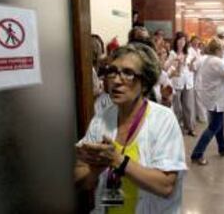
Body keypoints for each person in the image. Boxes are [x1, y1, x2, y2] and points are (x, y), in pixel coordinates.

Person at [74, 44, 187, 214]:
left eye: (128, 73)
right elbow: (81, 180)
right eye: (112, 71)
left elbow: (165, 186)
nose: (117, 81)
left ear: (145, 83)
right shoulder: (102, 119)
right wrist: (95, 167)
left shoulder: (163, 120)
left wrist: (118, 160)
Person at [191, 37, 224, 165]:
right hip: (216, 99)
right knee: (214, 127)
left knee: (220, 124)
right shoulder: (217, 61)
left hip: (213, 98)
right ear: (217, 50)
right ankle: (197, 154)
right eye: (222, 48)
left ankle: (223, 148)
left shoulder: (208, 59)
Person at [165, 32, 197, 136]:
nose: (181, 42)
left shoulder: (190, 52)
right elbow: (166, 67)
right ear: (176, 41)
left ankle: (190, 127)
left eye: (183, 40)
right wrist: (176, 61)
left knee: (188, 106)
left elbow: (193, 68)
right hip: (176, 82)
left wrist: (192, 64)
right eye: (179, 40)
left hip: (188, 82)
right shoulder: (172, 53)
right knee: (177, 107)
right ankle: (178, 127)